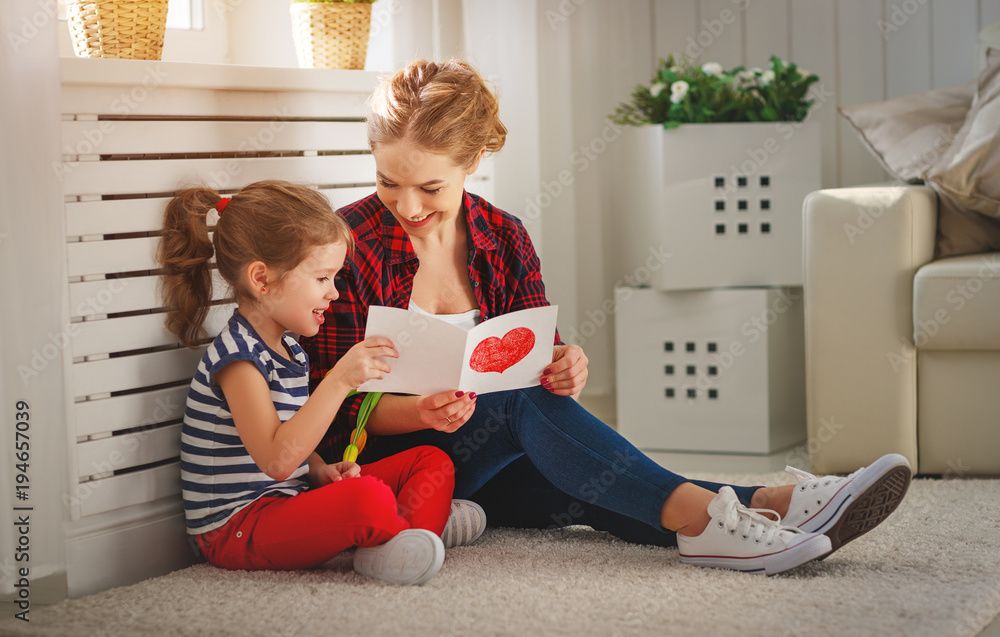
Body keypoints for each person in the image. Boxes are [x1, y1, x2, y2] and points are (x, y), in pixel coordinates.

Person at [300, 60, 912, 575]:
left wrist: (565, 364)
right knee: (523, 411)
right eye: (388, 182)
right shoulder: (348, 243)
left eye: (429, 188)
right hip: (391, 467)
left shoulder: (503, 236)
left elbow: (537, 356)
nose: (407, 206)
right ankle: (717, 522)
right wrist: (419, 409)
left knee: (587, 476)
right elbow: (328, 405)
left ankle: (774, 507)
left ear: (477, 157)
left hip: (486, 468)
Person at [159, 180, 486, 586]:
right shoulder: (237, 361)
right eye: (322, 278)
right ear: (262, 279)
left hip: (288, 501)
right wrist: (340, 380)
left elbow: (293, 444)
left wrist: (320, 471)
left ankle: (400, 536)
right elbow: (277, 461)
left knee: (431, 461)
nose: (333, 292)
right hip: (238, 529)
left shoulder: (290, 350)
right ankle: (409, 530)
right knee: (366, 499)